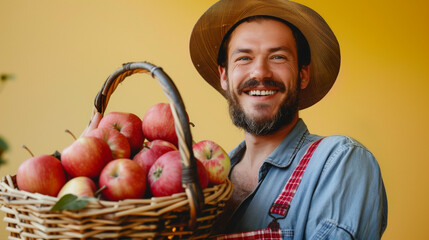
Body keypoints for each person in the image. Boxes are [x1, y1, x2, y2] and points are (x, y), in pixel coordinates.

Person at [189, 0, 388, 239]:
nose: (260, 72)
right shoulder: (204, 183)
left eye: (278, 57)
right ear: (224, 76)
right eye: (243, 58)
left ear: (303, 75)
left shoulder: (340, 162)